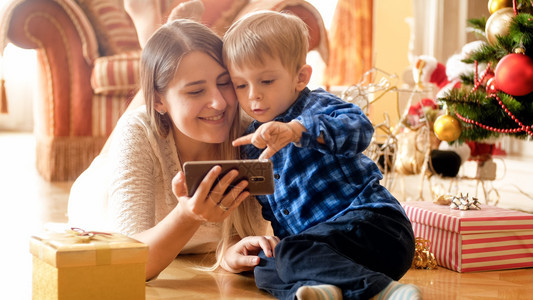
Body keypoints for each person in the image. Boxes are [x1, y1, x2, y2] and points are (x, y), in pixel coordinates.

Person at [223, 11, 420, 300]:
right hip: (327, 255)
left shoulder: (318, 106)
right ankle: (326, 291)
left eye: (266, 81)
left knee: (291, 252)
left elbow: (360, 131)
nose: (253, 95)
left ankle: (386, 291)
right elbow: (277, 213)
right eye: (241, 85)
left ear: (300, 77)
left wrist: (296, 131)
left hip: (376, 228)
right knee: (264, 266)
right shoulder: (251, 145)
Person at [68, 19, 278, 280]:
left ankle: (161, 38)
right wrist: (187, 216)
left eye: (225, 83)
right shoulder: (139, 132)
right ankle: (153, 34)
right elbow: (131, 264)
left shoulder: (252, 131)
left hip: (165, 115)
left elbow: (233, 230)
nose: (220, 102)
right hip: (99, 199)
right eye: (196, 90)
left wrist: (228, 251)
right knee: (132, 126)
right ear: (158, 100)